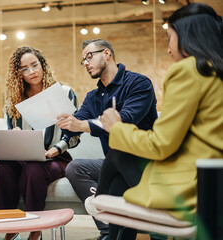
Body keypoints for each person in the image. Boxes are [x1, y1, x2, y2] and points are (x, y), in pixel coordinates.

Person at [93, 3, 223, 239]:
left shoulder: (188, 70)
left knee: (117, 153)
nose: (168, 49)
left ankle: (99, 211)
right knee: (117, 167)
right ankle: (110, 230)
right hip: (214, 181)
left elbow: (161, 145)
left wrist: (116, 127)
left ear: (187, 37)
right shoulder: (215, 71)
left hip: (191, 189)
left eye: (169, 38)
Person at [56, 39, 158, 239]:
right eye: (83, 60)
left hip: (145, 162)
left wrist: (82, 125)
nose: (85, 63)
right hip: (114, 163)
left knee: (119, 165)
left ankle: (103, 211)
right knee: (75, 167)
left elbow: (126, 120)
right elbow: (75, 123)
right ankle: (107, 229)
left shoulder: (139, 83)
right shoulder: (93, 96)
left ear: (107, 54)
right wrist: (57, 146)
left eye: (89, 56)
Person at [0, 46, 79, 240]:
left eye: (34, 65)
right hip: (25, 156)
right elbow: (11, 131)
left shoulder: (63, 92)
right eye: (24, 69)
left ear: (43, 65)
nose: (31, 72)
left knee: (34, 169)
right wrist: (15, 136)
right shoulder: (14, 99)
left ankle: (35, 229)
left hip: (56, 157)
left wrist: (54, 150)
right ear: (18, 73)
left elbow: (73, 135)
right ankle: (10, 225)